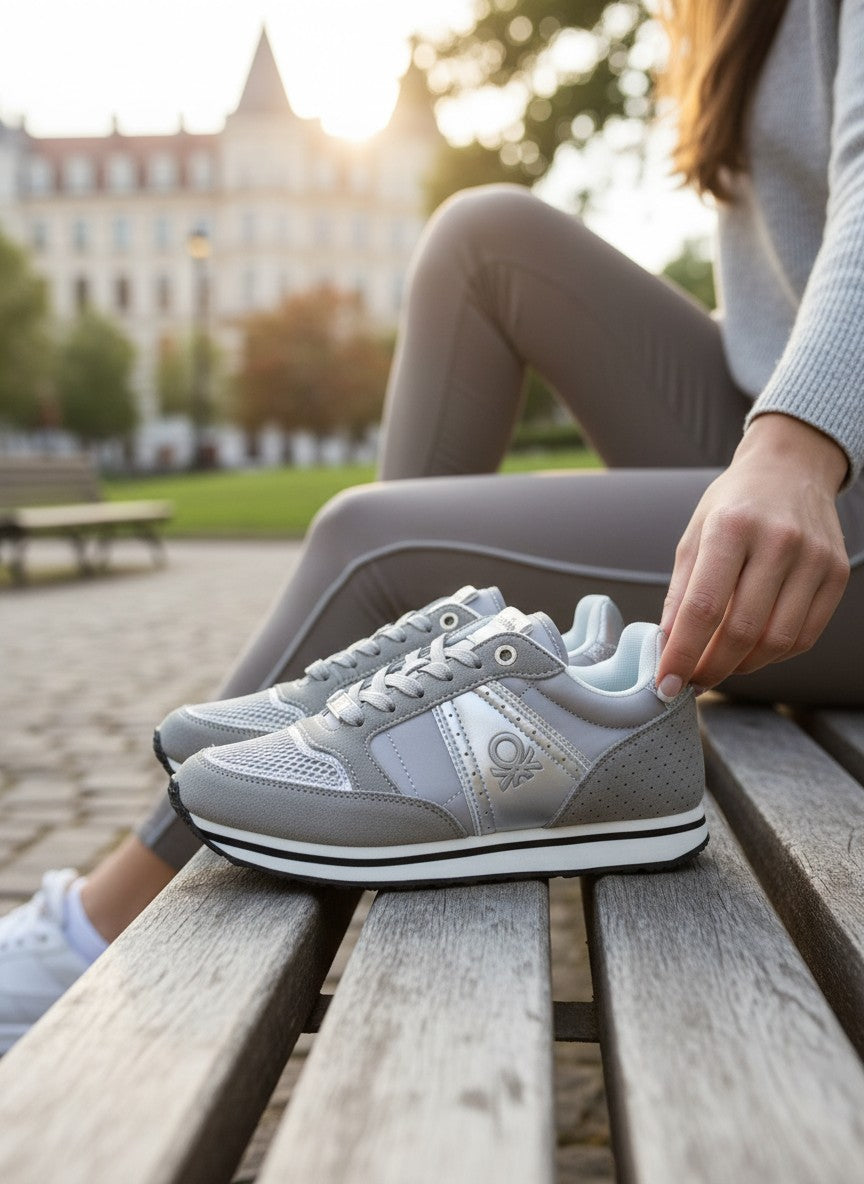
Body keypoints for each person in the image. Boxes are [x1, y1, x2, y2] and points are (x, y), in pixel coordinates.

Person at [1, 0, 862, 1046]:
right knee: (481, 235)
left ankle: (94, 936)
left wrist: (794, 443)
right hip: (783, 419)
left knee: (377, 538)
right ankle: (372, 711)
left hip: (830, 481)